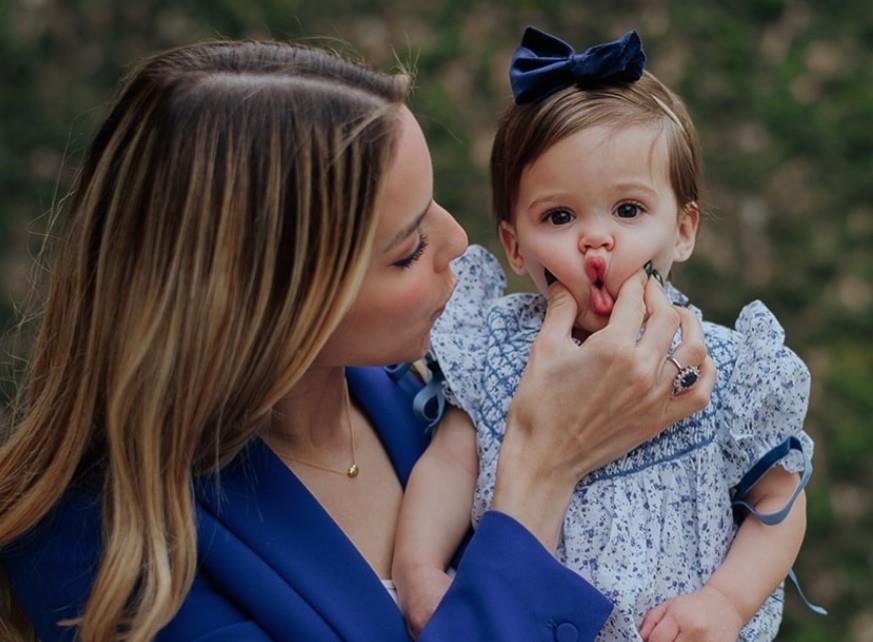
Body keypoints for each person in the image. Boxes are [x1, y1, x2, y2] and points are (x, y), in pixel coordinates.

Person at [0, 40, 714, 642]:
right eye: (406, 252)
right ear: (268, 304)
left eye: (434, 204)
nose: (460, 243)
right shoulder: (102, 553)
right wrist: (541, 474)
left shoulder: (427, 393)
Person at [392, 27, 817, 642]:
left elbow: (780, 497)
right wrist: (420, 571)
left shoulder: (717, 362)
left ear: (684, 230)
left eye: (628, 210)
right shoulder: (496, 354)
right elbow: (449, 468)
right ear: (515, 245)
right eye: (559, 217)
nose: (596, 240)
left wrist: (726, 601)